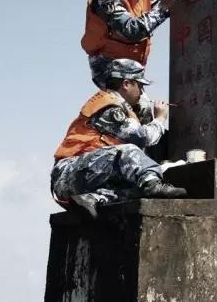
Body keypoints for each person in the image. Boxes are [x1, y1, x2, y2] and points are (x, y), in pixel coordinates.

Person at [51, 59, 186, 219]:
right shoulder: (109, 106)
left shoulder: (120, 106)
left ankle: (93, 199)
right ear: (127, 84)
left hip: (87, 177)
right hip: (69, 173)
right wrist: (160, 118)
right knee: (129, 151)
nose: (142, 92)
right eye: (140, 86)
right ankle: (153, 184)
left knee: (137, 189)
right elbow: (142, 137)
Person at [81, 0, 180, 122]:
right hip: (109, 68)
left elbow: (152, 0)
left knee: (143, 115)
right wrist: (164, 9)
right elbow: (132, 30)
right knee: (130, 116)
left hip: (132, 67)